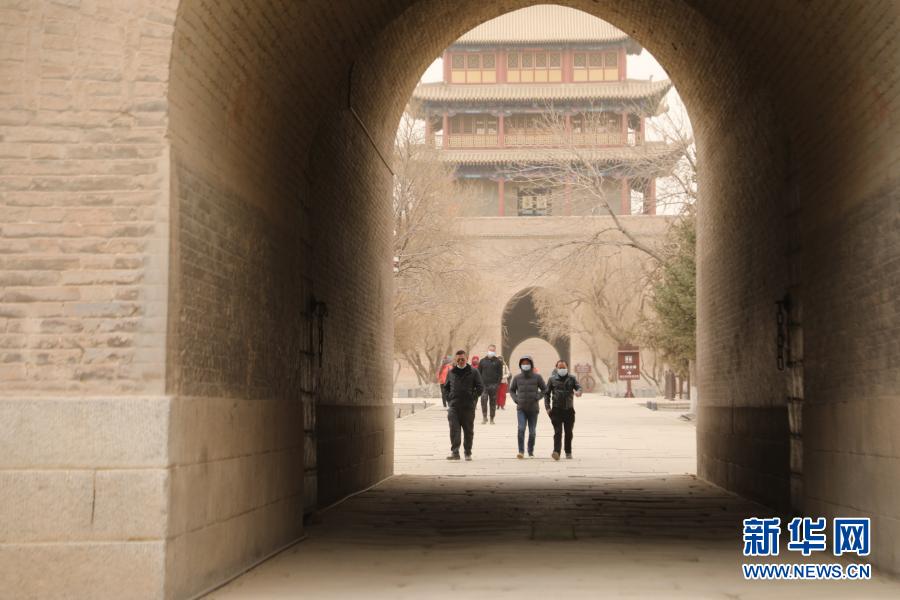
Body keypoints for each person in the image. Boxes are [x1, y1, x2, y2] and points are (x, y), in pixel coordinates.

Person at [442, 349, 484, 461]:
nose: (461, 361)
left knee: (468, 431)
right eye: (459, 359)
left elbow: (480, 387)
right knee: (454, 430)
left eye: (463, 359)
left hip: (468, 407)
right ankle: (455, 452)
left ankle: (467, 452)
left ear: (466, 359)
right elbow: (446, 388)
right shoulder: (451, 372)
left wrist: (473, 398)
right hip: (454, 407)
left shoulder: (473, 372)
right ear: (456, 359)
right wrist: (449, 398)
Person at [509, 355, 546, 458]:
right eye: (523, 363)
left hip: (533, 408)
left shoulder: (537, 377)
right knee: (521, 429)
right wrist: (516, 399)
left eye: (527, 363)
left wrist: (538, 397)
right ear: (520, 365)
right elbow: (512, 390)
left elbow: (544, 389)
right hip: (521, 408)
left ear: (531, 364)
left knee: (532, 432)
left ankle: (530, 451)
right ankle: (521, 451)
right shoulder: (517, 378)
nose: (525, 365)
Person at [544, 359, 583, 460]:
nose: (562, 369)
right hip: (556, 410)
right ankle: (556, 452)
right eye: (560, 367)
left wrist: (578, 392)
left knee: (568, 432)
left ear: (567, 368)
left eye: (564, 367)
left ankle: (568, 452)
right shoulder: (552, 379)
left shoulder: (572, 378)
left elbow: (579, 387)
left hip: (569, 410)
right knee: (558, 432)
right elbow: (546, 394)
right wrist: (547, 408)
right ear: (556, 368)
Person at [476, 344, 507, 424]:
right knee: (483, 400)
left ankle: (492, 418)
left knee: (493, 402)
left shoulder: (498, 362)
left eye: (493, 350)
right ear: (488, 350)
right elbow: (478, 373)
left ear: (495, 351)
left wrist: (497, 384)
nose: (491, 352)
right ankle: (484, 417)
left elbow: (500, 374)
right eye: (490, 350)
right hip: (484, 385)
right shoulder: (482, 361)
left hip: (493, 385)